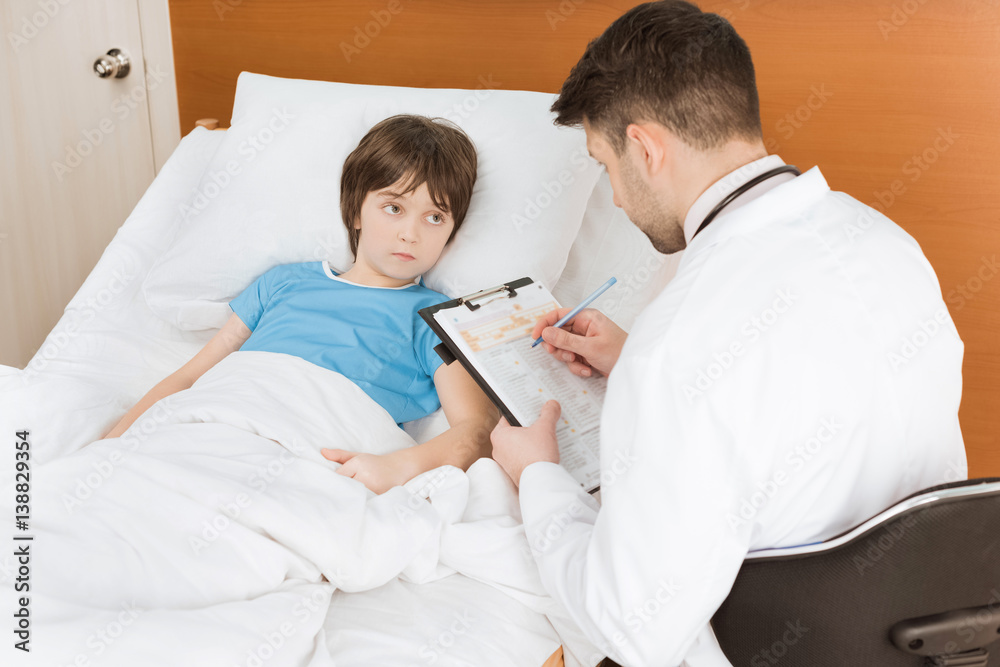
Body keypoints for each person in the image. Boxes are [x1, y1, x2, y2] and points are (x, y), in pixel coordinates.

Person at [490, 2, 966, 665]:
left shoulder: (681, 339)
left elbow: (630, 631)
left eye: (606, 165)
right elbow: (809, 390)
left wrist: (538, 475)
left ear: (647, 148)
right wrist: (634, 363)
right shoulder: (887, 243)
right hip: (925, 635)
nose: (618, 199)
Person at [103, 114, 498, 495]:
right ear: (356, 209)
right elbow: (190, 378)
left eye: (434, 217)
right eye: (393, 208)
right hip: (216, 420)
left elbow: (476, 431)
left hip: (313, 450)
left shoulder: (438, 318)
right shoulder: (283, 283)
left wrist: (399, 466)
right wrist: (112, 446)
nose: (410, 233)